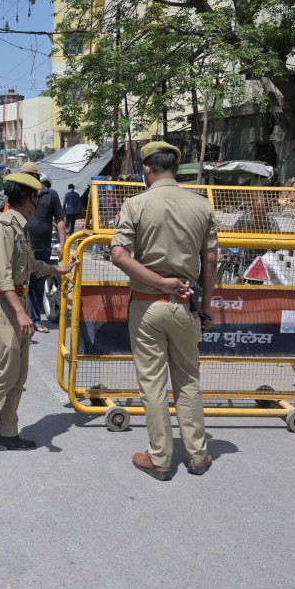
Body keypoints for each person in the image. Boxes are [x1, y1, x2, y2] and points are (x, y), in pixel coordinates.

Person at [110, 141, 218, 482]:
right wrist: (204, 308)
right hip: (186, 305)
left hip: (147, 305)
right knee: (188, 381)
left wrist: (160, 281)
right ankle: (198, 455)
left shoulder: (135, 204)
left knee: (153, 384)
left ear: (147, 169)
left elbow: (119, 255)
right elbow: (211, 260)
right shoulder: (202, 205)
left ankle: (159, 458)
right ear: (175, 167)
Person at [0, 172, 77, 454]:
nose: (39, 201)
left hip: (17, 303)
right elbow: (2, 276)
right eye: (38, 195)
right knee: (7, 373)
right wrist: (22, 315)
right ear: (31, 196)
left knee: (19, 375)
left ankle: (7, 432)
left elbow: (32, 265)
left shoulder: (19, 225)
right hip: (4, 307)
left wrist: (58, 269)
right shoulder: (3, 225)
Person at [24, 166, 66, 332]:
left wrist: (62, 243)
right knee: (20, 282)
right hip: (22, 246)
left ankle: (34, 319)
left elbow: (60, 219)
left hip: (42, 247)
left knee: (38, 284)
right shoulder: (22, 193)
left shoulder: (51, 195)